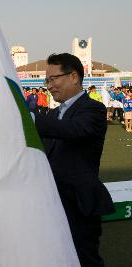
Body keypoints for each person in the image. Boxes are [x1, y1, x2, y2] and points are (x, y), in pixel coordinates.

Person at [34, 53, 115, 267]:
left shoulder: (93, 109)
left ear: (73, 77)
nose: (49, 86)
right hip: (51, 203)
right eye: (47, 81)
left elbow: (73, 129)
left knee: (83, 259)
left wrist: (30, 118)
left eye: (53, 79)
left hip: (79, 204)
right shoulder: (52, 115)